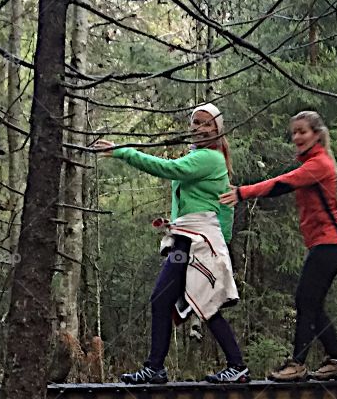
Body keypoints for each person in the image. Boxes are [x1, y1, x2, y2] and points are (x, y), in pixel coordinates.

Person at [92, 104, 249, 384]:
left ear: (217, 130)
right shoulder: (202, 157)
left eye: (206, 124)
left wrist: (123, 151)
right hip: (187, 238)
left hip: (195, 242)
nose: (199, 128)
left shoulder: (209, 159)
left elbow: (168, 168)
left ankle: (228, 366)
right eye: (195, 123)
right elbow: (223, 206)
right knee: (177, 301)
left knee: (194, 303)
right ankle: (159, 367)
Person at [220, 110, 337, 381]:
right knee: (311, 303)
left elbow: (282, 183)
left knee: (306, 300)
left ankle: (298, 364)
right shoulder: (313, 162)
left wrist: (242, 192)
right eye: (294, 133)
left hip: (331, 244)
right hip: (326, 245)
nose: (297, 137)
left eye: (303, 131)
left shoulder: (319, 165)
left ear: (316, 134)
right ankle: (336, 360)